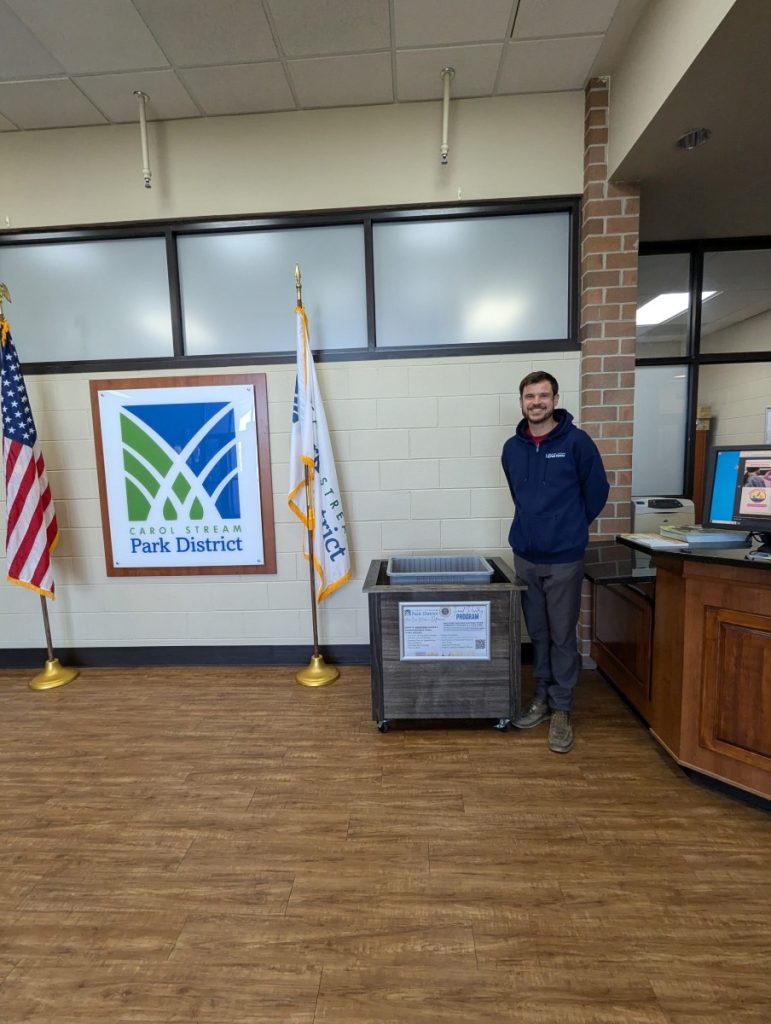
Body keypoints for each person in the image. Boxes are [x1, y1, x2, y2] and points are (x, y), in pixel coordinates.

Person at [501, 371, 609, 753]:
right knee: (539, 633)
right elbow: (519, 494)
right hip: (526, 557)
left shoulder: (577, 443)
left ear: (555, 399)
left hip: (564, 558)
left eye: (543, 396)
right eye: (529, 396)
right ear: (521, 402)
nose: (536, 402)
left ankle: (562, 708)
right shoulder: (511, 449)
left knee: (562, 635)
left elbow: (597, 492)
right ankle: (541, 698)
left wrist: (568, 527)